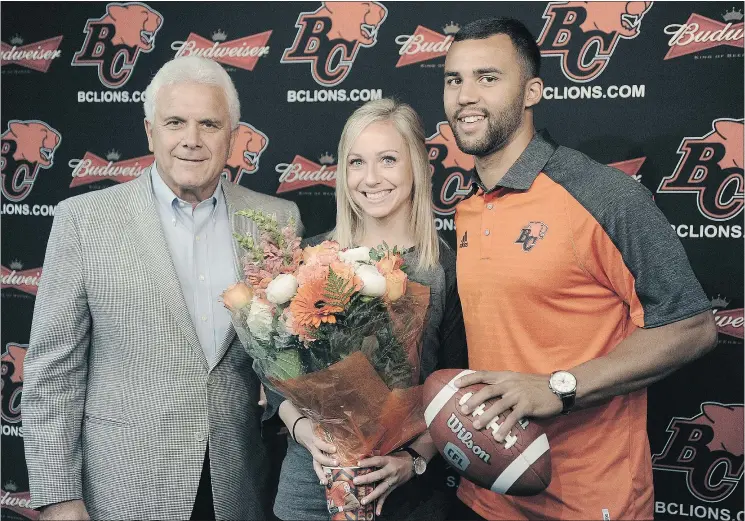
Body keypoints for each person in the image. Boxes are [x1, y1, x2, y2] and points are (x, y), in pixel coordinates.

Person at [442, 17, 718, 521]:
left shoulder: (603, 195)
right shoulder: (467, 207)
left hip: (589, 501)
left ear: (532, 92)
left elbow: (693, 327)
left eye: (487, 77)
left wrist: (559, 386)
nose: (465, 96)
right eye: (453, 79)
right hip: (486, 494)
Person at [22, 56, 302, 521]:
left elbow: (288, 362)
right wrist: (58, 498)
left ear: (232, 136)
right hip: (124, 489)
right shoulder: (84, 222)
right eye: (176, 122)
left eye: (209, 124)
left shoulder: (275, 221)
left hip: (237, 488)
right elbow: (53, 374)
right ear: (151, 132)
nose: (191, 140)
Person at [267, 98, 468, 521]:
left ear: (417, 166)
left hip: (408, 497)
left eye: (389, 160)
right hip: (309, 489)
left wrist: (412, 459)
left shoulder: (444, 269)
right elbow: (273, 375)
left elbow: (458, 387)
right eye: (357, 162)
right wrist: (304, 431)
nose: (371, 178)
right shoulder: (311, 258)